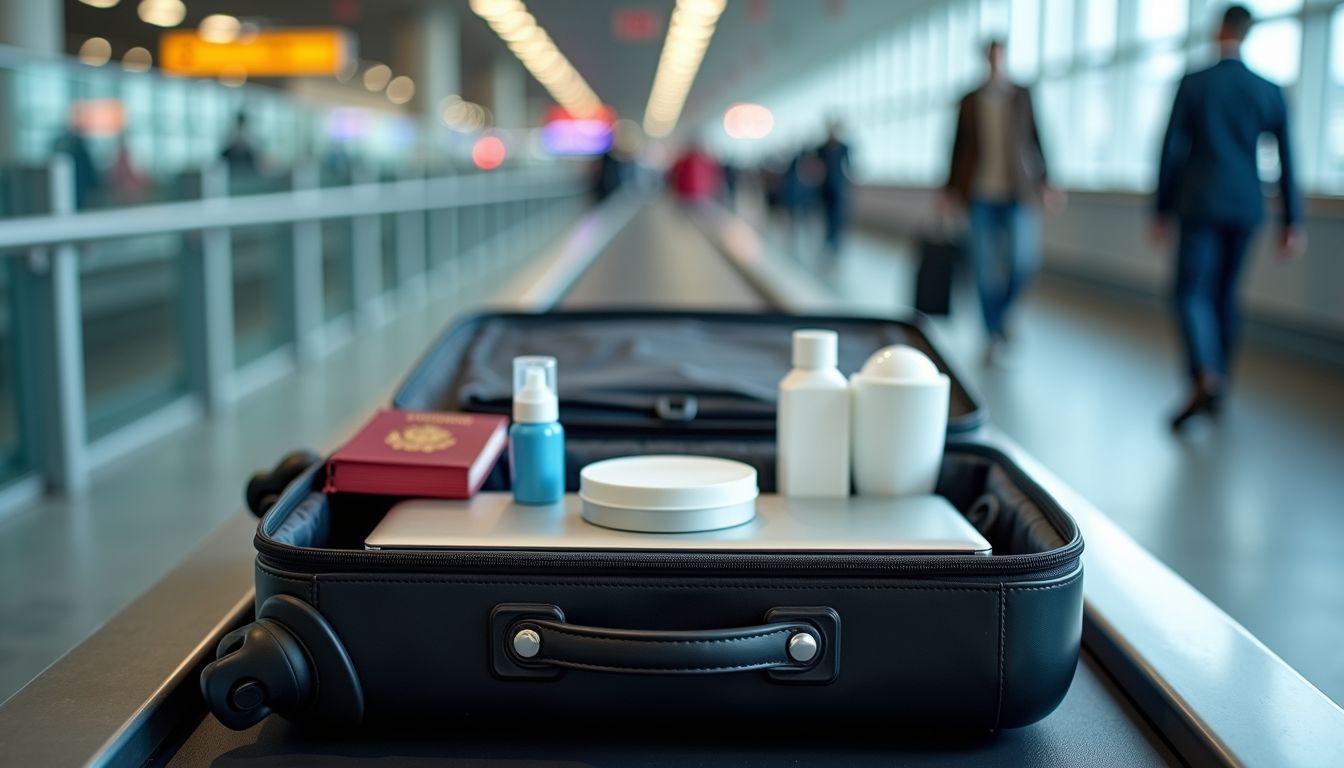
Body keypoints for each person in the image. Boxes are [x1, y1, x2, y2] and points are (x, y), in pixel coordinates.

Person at [1153, 4, 1304, 431]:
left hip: (1199, 202)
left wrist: (1161, 207)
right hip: (1245, 206)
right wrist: (1293, 220)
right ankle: (1219, 386)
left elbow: (1171, 148)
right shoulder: (1267, 89)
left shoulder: (1196, 82)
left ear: (1220, 30)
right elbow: (1288, 159)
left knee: (1190, 292)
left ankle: (1205, 373)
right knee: (1225, 294)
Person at [943, 38, 1059, 362]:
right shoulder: (969, 100)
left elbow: (1038, 138)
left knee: (1024, 261)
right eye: (991, 57)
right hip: (979, 194)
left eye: (999, 57)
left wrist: (1047, 182)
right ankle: (992, 331)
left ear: (1005, 58)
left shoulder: (1022, 95)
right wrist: (949, 191)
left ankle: (1004, 316)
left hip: (1017, 194)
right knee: (982, 267)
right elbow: (956, 147)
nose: (995, 63)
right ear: (985, 59)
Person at [815, 121, 852, 258]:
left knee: (837, 216)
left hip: (839, 186)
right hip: (825, 187)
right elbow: (816, 166)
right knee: (826, 215)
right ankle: (827, 241)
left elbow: (848, 166)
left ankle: (834, 243)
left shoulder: (844, 148)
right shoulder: (821, 148)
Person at [220, 111, 259, 176]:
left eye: (243, 131)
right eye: (238, 130)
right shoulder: (226, 154)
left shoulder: (250, 156)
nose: (240, 134)